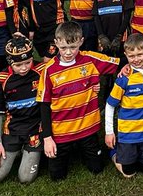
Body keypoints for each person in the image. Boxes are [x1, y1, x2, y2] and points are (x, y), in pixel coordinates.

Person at [39, 21, 123, 180]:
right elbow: (44, 106)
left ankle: (84, 147)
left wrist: (140, 63)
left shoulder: (90, 60)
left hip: (88, 128)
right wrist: (47, 137)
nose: (68, 52)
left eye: (73, 47)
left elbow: (120, 63)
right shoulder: (48, 70)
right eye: (63, 48)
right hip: (61, 132)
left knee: (97, 168)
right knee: (57, 176)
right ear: (56, 43)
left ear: (81, 41)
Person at [104, 33, 143, 177]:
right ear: (126, 55)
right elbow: (110, 104)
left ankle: (139, 156)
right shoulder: (123, 79)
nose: (136, 59)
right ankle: (114, 152)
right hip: (129, 133)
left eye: (140, 54)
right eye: (131, 56)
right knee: (128, 173)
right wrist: (109, 132)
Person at [0, 35, 44, 185]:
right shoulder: (1, 80)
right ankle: (17, 149)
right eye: (18, 65)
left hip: (35, 130)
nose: (24, 68)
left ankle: (33, 151)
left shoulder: (43, 71)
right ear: (9, 62)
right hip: (12, 130)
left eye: (27, 62)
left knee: (25, 178)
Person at [94, 0, 133, 67]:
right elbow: (96, 16)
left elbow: (127, 16)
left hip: (120, 36)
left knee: (123, 63)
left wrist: (119, 36)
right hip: (105, 35)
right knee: (106, 64)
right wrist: (101, 36)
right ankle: (107, 82)